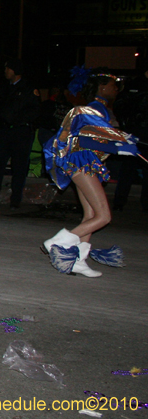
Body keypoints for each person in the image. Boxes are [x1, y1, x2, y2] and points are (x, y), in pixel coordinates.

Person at [42, 68, 140, 278]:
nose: (116, 89)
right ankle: (59, 242)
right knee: (104, 216)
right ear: (101, 87)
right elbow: (86, 138)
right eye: (113, 85)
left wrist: (121, 142)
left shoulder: (98, 108)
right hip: (82, 162)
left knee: (91, 215)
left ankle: (79, 260)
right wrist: (119, 147)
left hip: (82, 163)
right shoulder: (95, 108)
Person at [0, 59, 40, 208]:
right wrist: (2, 116)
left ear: (14, 70)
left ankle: (15, 199)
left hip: (21, 131)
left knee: (19, 166)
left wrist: (16, 118)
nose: (5, 71)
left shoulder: (28, 88)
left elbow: (34, 111)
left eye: (7, 69)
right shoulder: (4, 88)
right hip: (5, 130)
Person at [113, 65, 148, 212]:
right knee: (128, 167)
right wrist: (128, 123)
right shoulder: (135, 84)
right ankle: (119, 201)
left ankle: (145, 203)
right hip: (134, 131)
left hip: (145, 132)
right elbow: (120, 105)